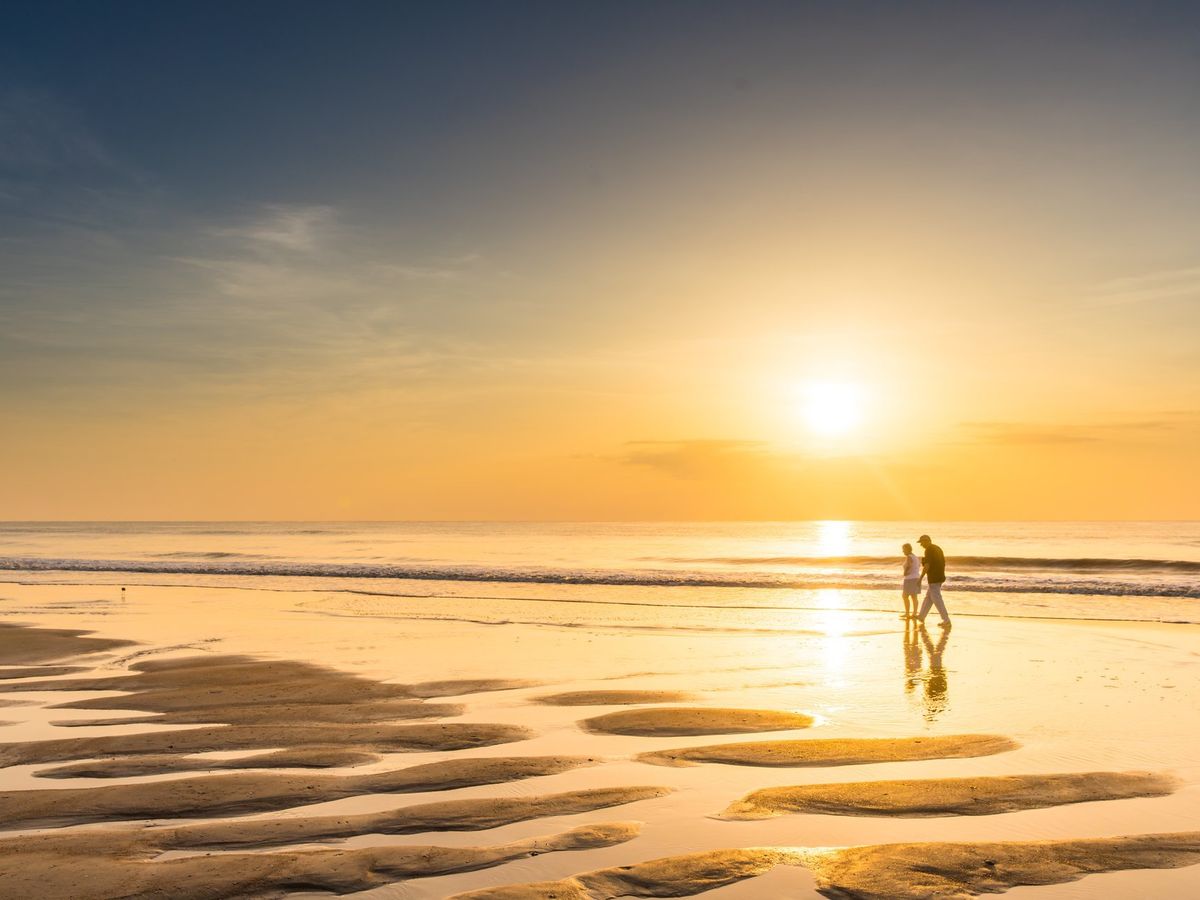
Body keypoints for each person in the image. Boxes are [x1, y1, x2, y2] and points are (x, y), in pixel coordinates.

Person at [916, 533, 950, 627]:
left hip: (934, 578)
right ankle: (921, 616)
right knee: (929, 598)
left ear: (926, 541)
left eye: (921, 542)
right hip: (939, 576)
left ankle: (946, 620)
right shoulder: (937, 548)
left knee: (937, 599)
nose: (921, 545)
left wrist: (920, 578)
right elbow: (943, 562)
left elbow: (927, 565)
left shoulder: (929, 550)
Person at [900, 542, 921, 618]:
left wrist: (905, 572)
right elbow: (918, 566)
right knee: (914, 597)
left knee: (905, 596)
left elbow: (909, 565)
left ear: (907, 549)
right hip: (916, 578)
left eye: (904, 549)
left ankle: (907, 613)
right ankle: (914, 613)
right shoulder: (915, 557)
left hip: (910, 578)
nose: (903, 551)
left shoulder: (909, 556)